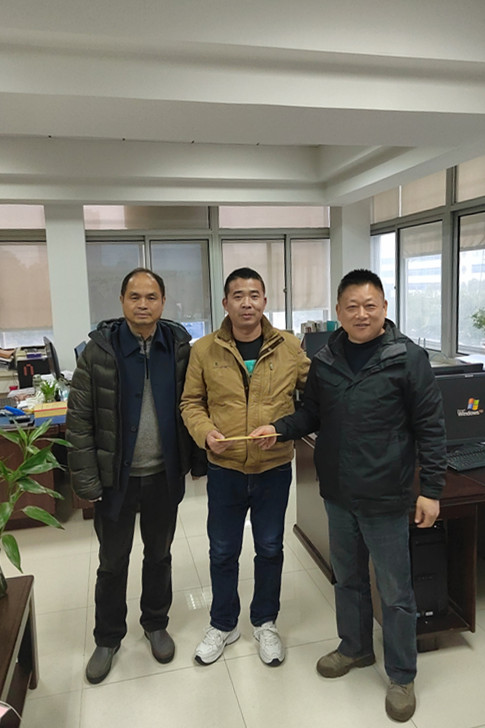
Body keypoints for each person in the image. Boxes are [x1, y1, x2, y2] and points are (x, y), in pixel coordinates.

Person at [251, 268, 447, 722]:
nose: (362, 314)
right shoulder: (325, 359)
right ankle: (355, 647)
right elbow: (311, 414)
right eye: (352, 307)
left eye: (370, 305)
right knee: (348, 579)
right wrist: (279, 429)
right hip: (339, 493)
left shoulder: (407, 358)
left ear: (384, 308)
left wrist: (432, 491)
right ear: (338, 312)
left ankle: (402, 674)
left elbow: (432, 428)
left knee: (395, 592)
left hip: (386, 494)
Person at [66, 267, 206, 684]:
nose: (143, 305)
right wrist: (87, 481)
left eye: (151, 297)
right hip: (115, 480)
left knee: (159, 555)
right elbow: (79, 421)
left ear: (163, 302)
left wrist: (197, 462)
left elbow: (196, 404)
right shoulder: (98, 352)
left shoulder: (178, 348)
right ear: (122, 302)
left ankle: (155, 623)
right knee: (112, 562)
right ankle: (108, 637)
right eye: (135, 297)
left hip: (163, 475)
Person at [180, 267, 310, 666]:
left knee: (270, 548)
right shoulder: (204, 350)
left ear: (265, 301)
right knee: (222, 551)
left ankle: (265, 622)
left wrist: (284, 429)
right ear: (226, 303)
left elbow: (316, 398)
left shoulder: (289, 346)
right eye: (238, 296)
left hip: (273, 467)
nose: (247, 303)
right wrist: (205, 433)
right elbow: (191, 403)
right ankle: (223, 624)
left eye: (254, 295)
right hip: (226, 468)